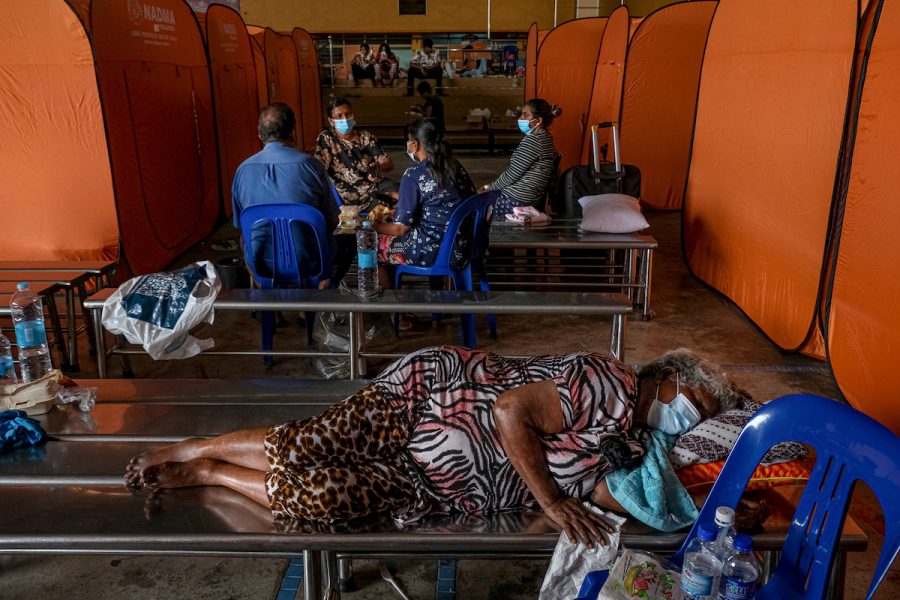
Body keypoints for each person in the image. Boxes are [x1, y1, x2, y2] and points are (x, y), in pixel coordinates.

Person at [125, 346, 743, 547]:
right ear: (670, 377)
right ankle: (196, 446)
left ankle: (211, 473)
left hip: (432, 482)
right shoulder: (611, 382)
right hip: (420, 402)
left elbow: (617, 495)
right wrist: (551, 502)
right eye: (693, 404)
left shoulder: (636, 438)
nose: (687, 422)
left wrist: (717, 508)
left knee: (316, 497)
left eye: (700, 419)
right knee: (306, 445)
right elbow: (510, 411)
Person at [232, 103, 338, 286]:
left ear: (260, 135)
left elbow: (241, 223)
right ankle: (321, 289)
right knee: (346, 242)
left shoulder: (243, 170)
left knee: (244, 239)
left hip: (262, 263)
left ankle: (263, 291)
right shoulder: (311, 165)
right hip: (309, 262)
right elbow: (332, 221)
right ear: (293, 132)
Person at [371, 118, 474, 306]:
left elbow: (400, 229)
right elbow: (441, 201)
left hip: (432, 251)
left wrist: (374, 225)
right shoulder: (455, 166)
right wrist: (404, 198)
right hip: (463, 247)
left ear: (415, 143)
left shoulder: (414, 174)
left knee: (372, 248)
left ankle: (395, 310)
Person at [485, 98, 561, 217]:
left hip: (517, 199)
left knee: (475, 204)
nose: (521, 118)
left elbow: (512, 174)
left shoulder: (534, 141)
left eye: (526, 115)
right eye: (521, 114)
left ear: (538, 120)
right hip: (527, 196)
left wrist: (491, 188)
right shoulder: (544, 137)